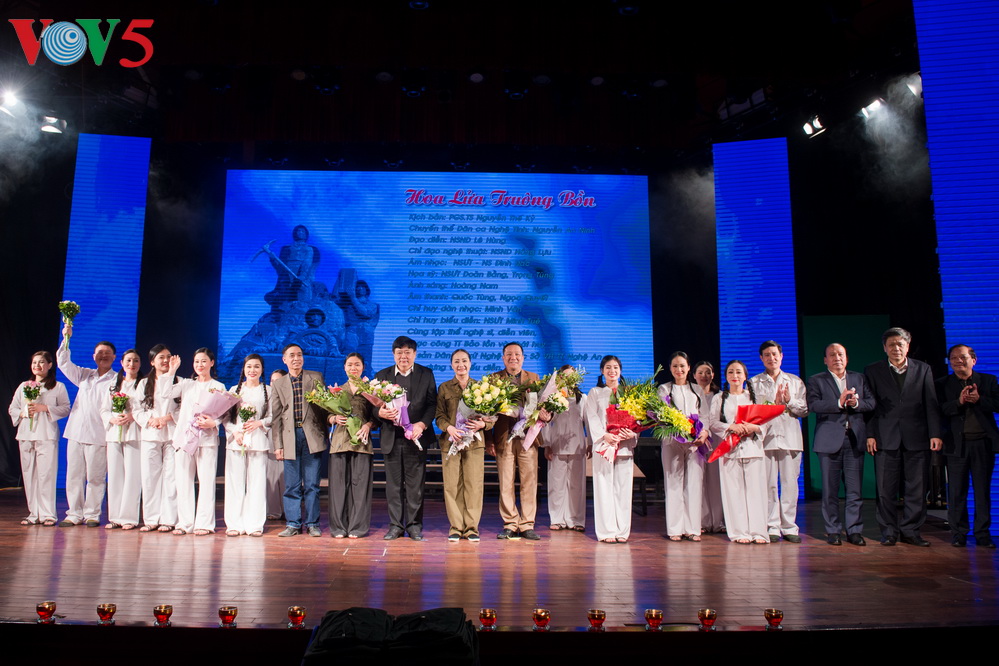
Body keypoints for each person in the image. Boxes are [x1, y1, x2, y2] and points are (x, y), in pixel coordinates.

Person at [865, 327, 943, 547]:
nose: (896, 348)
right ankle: (889, 531)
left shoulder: (923, 369)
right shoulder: (873, 370)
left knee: (916, 488)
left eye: (900, 344)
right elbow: (870, 406)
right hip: (884, 436)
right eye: (891, 344)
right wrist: (870, 434)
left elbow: (931, 403)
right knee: (885, 489)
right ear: (884, 348)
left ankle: (911, 531)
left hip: (917, 436)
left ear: (908, 346)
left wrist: (935, 433)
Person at [806, 343, 875, 546]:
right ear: (825, 360)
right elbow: (813, 404)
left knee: (855, 490)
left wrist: (856, 404)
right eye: (832, 355)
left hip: (854, 439)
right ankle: (833, 530)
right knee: (830, 490)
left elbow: (871, 402)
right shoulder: (817, 380)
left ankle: (854, 530)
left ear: (847, 358)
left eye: (841, 354)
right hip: (828, 441)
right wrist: (839, 402)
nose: (837, 358)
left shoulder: (859, 378)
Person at [936, 344, 998, 548]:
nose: (958, 361)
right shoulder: (942, 384)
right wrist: (959, 402)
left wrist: (980, 399)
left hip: (983, 444)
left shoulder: (988, 381)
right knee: (956, 491)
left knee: (982, 491)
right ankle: (958, 533)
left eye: (962, 357)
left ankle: (982, 534)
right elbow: (939, 410)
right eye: (953, 358)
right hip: (956, 445)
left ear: (974, 360)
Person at [375, 336, 437, 541]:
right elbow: (373, 406)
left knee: (415, 485)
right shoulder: (382, 375)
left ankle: (414, 526)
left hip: (416, 438)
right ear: (393, 354)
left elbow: (432, 404)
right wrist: (380, 413)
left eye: (408, 352)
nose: (404, 356)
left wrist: (422, 424)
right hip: (391, 438)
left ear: (414, 354)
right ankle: (395, 526)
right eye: (399, 352)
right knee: (393, 486)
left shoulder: (426, 374)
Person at [56, 324, 117, 527]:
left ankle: (92, 513)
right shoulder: (84, 375)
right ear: (93, 356)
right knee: (74, 476)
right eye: (99, 353)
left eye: (107, 353)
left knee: (96, 477)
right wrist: (66, 339)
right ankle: (74, 513)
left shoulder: (117, 380)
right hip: (76, 432)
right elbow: (63, 363)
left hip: (99, 435)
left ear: (114, 357)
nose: (103, 356)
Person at [486, 342, 544, 540]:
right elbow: (487, 412)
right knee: (506, 482)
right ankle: (510, 523)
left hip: (528, 437)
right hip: (503, 437)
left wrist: (546, 415)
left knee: (529, 481)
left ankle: (527, 524)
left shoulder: (534, 378)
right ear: (503, 358)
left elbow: (542, 406)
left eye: (517, 354)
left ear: (523, 357)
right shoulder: (494, 379)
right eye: (509, 354)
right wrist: (489, 440)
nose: (513, 357)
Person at [751, 341, 807, 543]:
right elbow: (753, 412)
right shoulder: (754, 382)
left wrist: (789, 401)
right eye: (767, 355)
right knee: (769, 485)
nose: (771, 358)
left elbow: (804, 410)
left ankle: (789, 526)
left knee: (790, 484)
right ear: (761, 358)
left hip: (790, 439)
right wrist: (772, 406)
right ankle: (772, 526)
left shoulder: (795, 381)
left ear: (781, 356)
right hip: (765, 440)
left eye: (774, 354)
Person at [707, 360, 768, 544]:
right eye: (731, 372)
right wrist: (730, 427)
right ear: (726, 376)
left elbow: (765, 422)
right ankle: (739, 532)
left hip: (753, 449)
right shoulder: (719, 398)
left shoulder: (754, 397)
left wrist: (753, 427)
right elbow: (713, 422)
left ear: (745, 376)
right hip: (730, 450)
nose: (735, 376)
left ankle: (758, 532)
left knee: (756, 492)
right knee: (733, 492)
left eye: (739, 372)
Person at [272, 343, 330, 537]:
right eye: (292, 355)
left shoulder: (315, 377)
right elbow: (276, 417)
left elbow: (324, 407)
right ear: (284, 359)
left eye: (299, 355)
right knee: (292, 485)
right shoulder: (279, 384)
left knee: (312, 484)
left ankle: (312, 523)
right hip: (289, 437)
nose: (296, 358)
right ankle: (293, 524)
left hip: (311, 436)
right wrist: (278, 445)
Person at [165, 349, 225, 535]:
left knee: (206, 482)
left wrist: (214, 423)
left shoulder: (218, 386)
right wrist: (172, 371)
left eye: (204, 361)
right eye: (197, 361)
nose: (200, 365)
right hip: (185, 439)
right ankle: (185, 523)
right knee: (183, 481)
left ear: (212, 363)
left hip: (206, 439)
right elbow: (165, 393)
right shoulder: (186, 384)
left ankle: (204, 524)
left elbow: (224, 412)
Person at [8, 352, 70, 526]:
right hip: (26, 435)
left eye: (41, 362)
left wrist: (45, 408)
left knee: (46, 475)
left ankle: (48, 514)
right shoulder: (24, 386)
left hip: (46, 435)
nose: (37, 365)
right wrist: (23, 412)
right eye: (34, 362)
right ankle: (33, 513)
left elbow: (65, 408)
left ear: (49, 365)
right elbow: (12, 408)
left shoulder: (57, 386)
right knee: (29, 474)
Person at [436, 349, 488, 542]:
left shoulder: (481, 387)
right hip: (451, 443)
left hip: (474, 443)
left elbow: (491, 416)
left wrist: (483, 425)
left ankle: (472, 527)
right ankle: (456, 527)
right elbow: (439, 416)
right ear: (451, 365)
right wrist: (449, 428)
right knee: (452, 486)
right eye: (456, 361)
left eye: (464, 361)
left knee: (474, 485)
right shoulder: (444, 388)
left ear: (470, 363)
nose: (461, 365)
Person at [585, 355, 637, 543]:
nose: (612, 371)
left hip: (624, 446)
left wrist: (632, 433)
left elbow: (637, 417)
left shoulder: (629, 393)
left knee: (623, 490)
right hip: (604, 446)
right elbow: (592, 417)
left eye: (615, 367)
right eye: (608, 367)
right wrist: (603, 435)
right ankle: (607, 532)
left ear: (620, 370)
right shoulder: (595, 392)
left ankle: (622, 531)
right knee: (604, 488)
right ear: (602, 371)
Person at [658, 351, 710, 541]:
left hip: (695, 443)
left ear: (689, 368)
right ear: (670, 369)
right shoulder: (664, 389)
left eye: (682, 366)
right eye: (675, 366)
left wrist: (704, 433)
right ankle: (675, 529)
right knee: (673, 483)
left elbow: (704, 415)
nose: (679, 369)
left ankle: (693, 529)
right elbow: (661, 414)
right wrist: (677, 430)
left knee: (694, 484)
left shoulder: (696, 389)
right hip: (672, 442)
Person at [328, 353, 378, 539]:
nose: (353, 368)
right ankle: (338, 527)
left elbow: (378, 415)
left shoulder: (371, 391)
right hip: (340, 443)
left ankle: (358, 527)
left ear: (363, 367)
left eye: (357, 364)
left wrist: (368, 425)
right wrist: (333, 418)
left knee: (360, 486)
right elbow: (325, 414)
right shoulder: (336, 390)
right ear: (344, 367)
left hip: (362, 443)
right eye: (350, 365)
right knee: (338, 486)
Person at [134, 344, 181, 532]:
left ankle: (168, 519)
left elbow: (184, 408)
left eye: (169, 356)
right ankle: (151, 519)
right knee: (150, 477)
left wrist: (167, 418)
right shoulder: (144, 383)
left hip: (171, 434)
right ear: (152, 362)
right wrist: (151, 420)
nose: (166, 360)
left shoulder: (179, 381)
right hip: (151, 434)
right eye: (161, 357)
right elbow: (136, 409)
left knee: (171, 477)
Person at [224, 354, 273, 537]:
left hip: (258, 441)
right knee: (235, 484)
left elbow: (273, 416)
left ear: (262, 369)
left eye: (256, 366)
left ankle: (255, 525)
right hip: (237, 443)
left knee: (257, 484)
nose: (252, 370)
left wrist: (259, 423)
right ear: (243, 369)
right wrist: (235, 432)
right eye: (249, 366)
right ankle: (234, 524)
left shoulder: (268, 390)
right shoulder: (234, 390)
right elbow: (225, 418)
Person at [100, 349, 144, 530]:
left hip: (134, 432)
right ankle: (115, 517)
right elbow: (104, 409)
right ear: (122, 363)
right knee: (115, 475)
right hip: (114, 433)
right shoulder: (113, 385)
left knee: (133, 475)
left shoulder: (144, 384)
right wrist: (112, 419)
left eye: (135, 360)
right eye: (128, 360)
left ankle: (129, 518)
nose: (132, 364)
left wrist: (133, 416)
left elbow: (147, 408)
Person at [544, 365, 588, 533]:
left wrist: (591, 443)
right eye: (565, 376)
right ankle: (557, 519)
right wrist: (547, 444)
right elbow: (545, 422)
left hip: (577, 445)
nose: (569, 379)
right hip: (557, 445)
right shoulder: (553, 398)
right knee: (556, 484)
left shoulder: (582, 398)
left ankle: (576, 519)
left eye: (572, 376)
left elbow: (588, 422)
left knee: (577, 485)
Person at [694, 361, 724, 533]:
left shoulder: (720, 396)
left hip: (716, 440)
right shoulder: (691, 394)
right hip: (697, 440)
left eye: (708, 372)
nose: (704, 376)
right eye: (700, 372)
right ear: (694, 375)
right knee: (699, 480)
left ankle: (718, 521)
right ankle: (702, 521)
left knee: (715, 480)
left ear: (713, 375)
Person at [266, 369, 288, 520]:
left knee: (287, 477)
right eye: (272, 381)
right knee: (271, 476)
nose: (274, 384)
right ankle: (273, 511)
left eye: (277, 381)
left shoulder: (289, 396)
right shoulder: (265, 397)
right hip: (269, 439)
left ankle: (288, 510)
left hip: (287, 438)